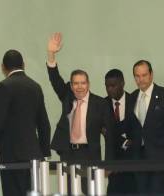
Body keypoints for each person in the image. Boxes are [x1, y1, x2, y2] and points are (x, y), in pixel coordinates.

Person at [46, 32, 115, 194]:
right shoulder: (67, 97)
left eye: (83, 83)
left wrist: (109, 164)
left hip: (90, 155)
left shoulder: (101, 104)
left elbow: (110, 136)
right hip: (68, 154)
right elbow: (55, 79)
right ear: (71, 86)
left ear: (88, 84)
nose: (79, 87)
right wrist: (51, 54)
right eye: (75, 83)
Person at [0, 49, 51, 196]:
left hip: (11, 156)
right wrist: (44, 153)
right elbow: (44, 124)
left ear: (3, 67)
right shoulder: (35, 86)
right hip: (34, 157)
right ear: (24, 64)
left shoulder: (3, 86)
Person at [127, 59, 164, 194]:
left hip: (161, 156)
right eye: (137, 76)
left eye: (144, 75)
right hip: (138, 157)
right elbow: (131, 127)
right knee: (142, 192)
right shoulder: (131, 97)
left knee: (156, 191)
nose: (141, 79)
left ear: (151, 75)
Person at [104, 69, 136, 195]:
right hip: (114, 164)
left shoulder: (134, 100)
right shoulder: (103, 104)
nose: (110, 89)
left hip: (134, 162)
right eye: (107, 86)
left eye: (113, 85)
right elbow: (104, 131)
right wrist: (125, 141)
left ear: (122, 83)